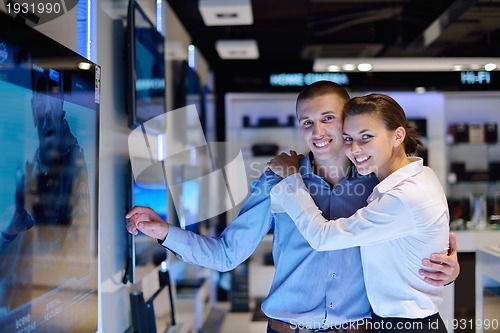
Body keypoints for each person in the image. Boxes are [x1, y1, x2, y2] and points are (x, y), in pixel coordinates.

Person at [126, 81, 459, 333]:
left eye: (329, 118)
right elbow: (227, 254)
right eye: (307, 122)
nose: (318, 131)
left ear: (350, 120)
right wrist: (165, 233)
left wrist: (449, 269)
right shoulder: (274, 182)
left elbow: (414, 245)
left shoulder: (381, 184)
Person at [267, 93, 450, 332]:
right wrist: (449, 264)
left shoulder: (404, 196)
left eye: (366, 137)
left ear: (398, 135)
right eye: (348, 138)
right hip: (389, 322)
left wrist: (292, 179)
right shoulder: (412, 177)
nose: (354, 149)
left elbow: (323, 237)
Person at [0, 71, 91, 316]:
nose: (48, 112)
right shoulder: (36, 161)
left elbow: (77, 258)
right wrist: (14, 227)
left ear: (62, 107)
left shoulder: (73, 162)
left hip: (51, 303)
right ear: (33, 110)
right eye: (41, 104)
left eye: (53, 103)